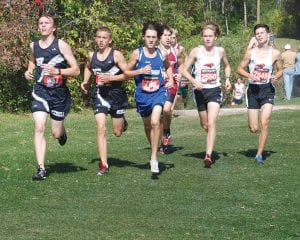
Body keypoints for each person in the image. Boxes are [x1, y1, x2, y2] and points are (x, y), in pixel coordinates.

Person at [24, 13, 80, 180]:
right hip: (40, 91)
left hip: (59, 94)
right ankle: (41, 168)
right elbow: (33, 60)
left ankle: (62, 132)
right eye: (40, 23)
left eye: (46, 23)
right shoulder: (33, 45)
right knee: (39, 127)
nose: (43, 25)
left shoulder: (62, 46)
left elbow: (76, 70)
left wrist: (58, 71)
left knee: (55, 133)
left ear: (54, 27)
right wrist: (29, 70)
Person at [179, 21, 231, 168]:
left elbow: (227, 66)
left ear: (216, 37)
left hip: (214, 90)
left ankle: (208, 155)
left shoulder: (220, 51)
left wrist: (227, 79)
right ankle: (210, 136)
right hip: (199, 91)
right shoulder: (196, 51)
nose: (208, 38)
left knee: (212, 122)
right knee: (205, 124)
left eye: (211, 36)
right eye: (205, 36)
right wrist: (194, 81)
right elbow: (183, 69)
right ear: (202, 37)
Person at [124, 22, 173, 174]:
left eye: (154, 37)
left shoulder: (162, 53)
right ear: (143, 37)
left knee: (155, 121)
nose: (151, 40)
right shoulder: (137, 54)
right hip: (142, 95)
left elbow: (168, 66)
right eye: (148, 37)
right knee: (147, 126)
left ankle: (153, 157)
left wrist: (170, 79)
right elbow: (126, 71)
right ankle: (154, 146)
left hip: (158, 92)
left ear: (157, 38)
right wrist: (140, 71)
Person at [81, 27, 128, 176]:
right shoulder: (92, 55)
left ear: (110, 40)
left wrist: (111, 78)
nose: (101, 40)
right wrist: (85, 81)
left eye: (104, 38)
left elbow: (128, 74)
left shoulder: (116, 55)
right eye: (98, 37)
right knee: (101, 127)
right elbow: (88, 67)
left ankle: (122, 122)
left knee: (117, 132)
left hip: (116, 95)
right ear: (96, 39)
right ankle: (104, 164)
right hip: (99, 94)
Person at [237, 23, 283, 165]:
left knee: (265, 123)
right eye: (257, 33)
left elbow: (281, 69)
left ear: (268, 35)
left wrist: (277, 76)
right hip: (253, 91)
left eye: (262, 33)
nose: (260, 35)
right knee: (254, 128)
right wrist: (251, 76)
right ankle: (252, 123)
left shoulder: (275, 53)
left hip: (267, 89)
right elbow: (239, 68)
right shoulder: (251, 52)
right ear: (255, 36)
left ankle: (259, 154)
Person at [158, 25, 181, 154]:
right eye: (165, 35)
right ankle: (163, 142)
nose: (168, 38)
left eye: (169, 35)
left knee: (166, 110)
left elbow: (180, 66)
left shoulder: (174, 51)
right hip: (159, 86)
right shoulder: (156, 51)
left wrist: (179, 75)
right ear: (159, 37)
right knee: (159, 116)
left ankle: (166, 131)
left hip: (171, 85)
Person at [171, 29, 189, 110]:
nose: (172, 39)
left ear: (176, 38)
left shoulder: (181, 48)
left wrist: (185, 67)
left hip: (180, 68)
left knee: (184, 90)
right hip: (172, 69)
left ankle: (185, 103)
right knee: (177, 94)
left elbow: (187, 57)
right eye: (171, 37)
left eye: (174, 37)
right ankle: (172, 109)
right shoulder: (167, 48)